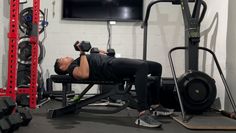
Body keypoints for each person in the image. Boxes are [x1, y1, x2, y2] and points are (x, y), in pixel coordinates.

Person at [54, 44, 174, 128]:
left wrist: (101, 53)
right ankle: (143, 113)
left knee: (156, 67)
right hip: (110, 68)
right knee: (141, 66)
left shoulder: (79, 60)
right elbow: (84, 74)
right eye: (62, 58)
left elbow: (91, 62)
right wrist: (82, 52)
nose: (65, 56)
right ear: (62, 67)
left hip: (112, 62)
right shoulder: (71, 68)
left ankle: (155, 104)